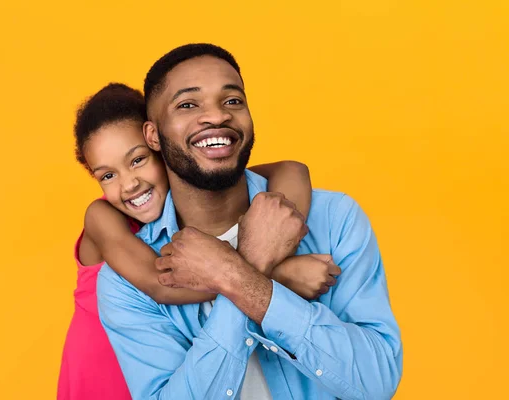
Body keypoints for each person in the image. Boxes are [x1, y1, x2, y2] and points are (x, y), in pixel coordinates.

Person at [97, 43, 403, 400]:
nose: (216, 116)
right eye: (188, 105)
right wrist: (256, 267)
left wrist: (238, 278)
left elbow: (377, 381)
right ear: (153, 136)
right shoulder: (126, 282)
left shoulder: (334, 219)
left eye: (232, 101)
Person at [58, 83, 337, 399]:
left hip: (163, 357)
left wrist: (275, 244)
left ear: (161, 143)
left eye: (137, 160)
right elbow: (161, 283)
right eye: (107, 176)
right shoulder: (101, 216)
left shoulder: (193, 194)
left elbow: (291, 170)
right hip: (105, 371)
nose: (129, 183)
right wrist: (277, 274)